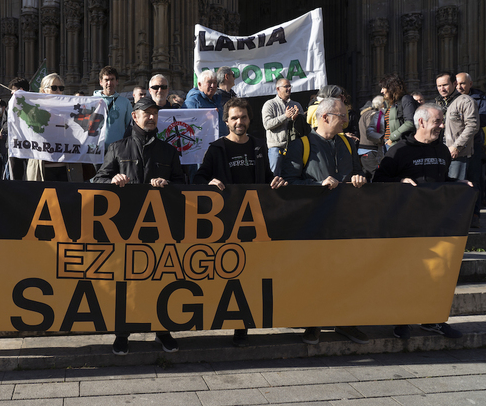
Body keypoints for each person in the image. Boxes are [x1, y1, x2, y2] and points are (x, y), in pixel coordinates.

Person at [92, 96, 184, 355]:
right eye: (146, 113)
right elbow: (97, 180)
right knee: (125, 282)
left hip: (159, 228)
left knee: (160, 280)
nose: (151, 116)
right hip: (124, 227)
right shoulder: (117, 148)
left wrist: (167, 187)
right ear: (134, 117)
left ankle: (162, 330)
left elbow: (183, 185)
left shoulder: (169, 151)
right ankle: (122, 333)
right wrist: (113, 181)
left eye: (155, 113)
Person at [194, 97, 287, 346]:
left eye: (243, 117)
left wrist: (275, 181)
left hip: (254, 221)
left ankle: (242, 324)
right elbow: (199, 178)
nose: (239, 122)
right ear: (226, 121)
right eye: (234, 118)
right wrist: (209, 182)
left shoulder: (258, 146)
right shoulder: (217, 149)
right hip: (226, 222)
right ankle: (230, 317)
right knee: (231, 273)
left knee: (252, 272)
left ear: (249, 119)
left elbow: (266, 176)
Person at [373, 103, 468, 340]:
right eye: (438, 121)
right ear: (421, 122)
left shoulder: (443, 151)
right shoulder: (399, 151)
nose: (442, 125)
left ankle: (432, 320)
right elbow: (378, 181)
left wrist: (459, 185)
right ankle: (401, 319)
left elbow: (442, 180)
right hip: (405, 226)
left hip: (437, 225)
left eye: (441, 120)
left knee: (437, 274)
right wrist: (401, 182)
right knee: (406, 273)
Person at [281, 97, 369, 346]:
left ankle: (346, 322)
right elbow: (288, 183)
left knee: (348, 273)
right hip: (315, 222)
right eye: (341, 116)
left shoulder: (348, 143)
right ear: (325, 117)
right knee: (315, 275)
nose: (345, 120)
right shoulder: (301, 145)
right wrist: (316, 185)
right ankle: (313, 324)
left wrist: (359, 178)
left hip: (345, 220)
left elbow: (358, 170)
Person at [434, 72, 480, 226]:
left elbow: (472, 126)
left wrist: (456, 146)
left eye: (445, 85)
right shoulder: (439, 103)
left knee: (456, 188)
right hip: (440, 152)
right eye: (439, 86)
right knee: (444, 189)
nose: (442, 89)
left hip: (457, 153)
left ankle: (457, 223)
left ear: (454, 84)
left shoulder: (465, 101)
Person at [26, 73, 84, 182]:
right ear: (43, 90)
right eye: (54, 88)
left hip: (65, 168)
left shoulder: (69, 110)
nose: (58, 91)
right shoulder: (35, 110)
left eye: (61, 88)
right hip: (43, 168)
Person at [456, 72, 486, 222]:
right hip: (455, 143)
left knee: (475, 178)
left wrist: (466, 121)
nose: (459, 87)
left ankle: (475, 214)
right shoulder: (452, 97)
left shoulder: (480, 97)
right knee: (457, 178)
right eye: (457, 84)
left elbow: (483, 119)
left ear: (470, 84)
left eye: (462, 83)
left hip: (474, 143)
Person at [261, 78, 304, 175]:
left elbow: (304, 127)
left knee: (293, 176)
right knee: (274, 176)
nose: (289, 88)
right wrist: (285, 116)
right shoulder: (270, 104)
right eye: (286, 86)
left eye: (290, 86)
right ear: (278, 89)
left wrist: (296, 118)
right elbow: (267, 124)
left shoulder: (296, 105)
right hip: (276, 148)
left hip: (293, 147)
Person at [93, 66, 133, 149]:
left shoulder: (125, 102)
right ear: (101, 82)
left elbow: (130, 127)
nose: (109, 83)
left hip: (118, 149)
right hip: (96, 149)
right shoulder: (92, 101)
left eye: (112, 79)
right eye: (106, 80)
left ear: (117, 81)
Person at [185, 70, 228, 135]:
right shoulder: (192, 101)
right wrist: (205, 118)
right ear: (199, 84)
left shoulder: (217, 100)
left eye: (215, 82)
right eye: (209, 82)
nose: (213, 86)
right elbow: (187, 125)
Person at [380, 73, 416, 149]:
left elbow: (410, 123)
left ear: (391, 87)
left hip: (398, 143)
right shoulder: (390, 103)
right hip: (389, 143)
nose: (381, 91)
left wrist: (393, 137)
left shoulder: (405, 99)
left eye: (383, 87)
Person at [357, 95, 386, 179]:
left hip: (365, 150)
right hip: (369, 150)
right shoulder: (372, 114)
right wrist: (382, 139)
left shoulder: (365, 114)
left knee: (367, 175)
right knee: (374, 175)